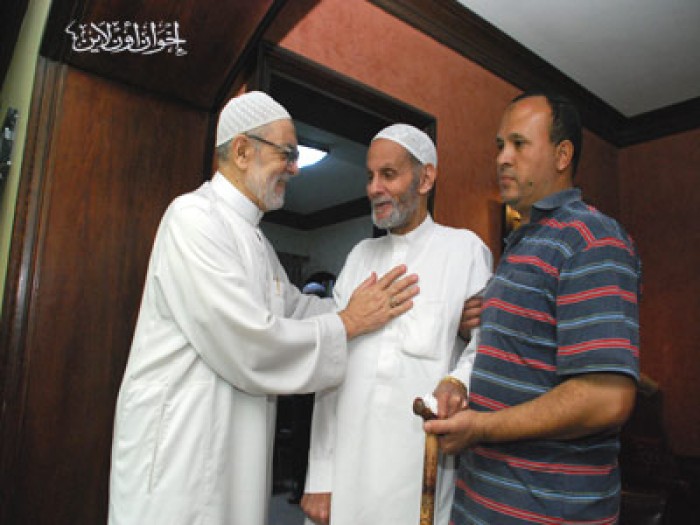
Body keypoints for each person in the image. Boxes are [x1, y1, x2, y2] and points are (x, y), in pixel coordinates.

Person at [108, 91, 420, 525]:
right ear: (241, 151)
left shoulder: (256, 241)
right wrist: (350, 321)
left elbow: (296, 309)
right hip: (182, 451)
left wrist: (367, 305)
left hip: (234, 450)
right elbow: (247, 339)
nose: (294, 168)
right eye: (287, 153)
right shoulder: (192, 218)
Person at [425, 91, 642, 524]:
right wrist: (463, 379)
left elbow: (606, 399)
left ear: (562, 155)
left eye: (519, 144)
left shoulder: (591, 239)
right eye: (500, 146)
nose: (502, 158)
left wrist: (480, 427)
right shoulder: (523, 243)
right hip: (483, 502)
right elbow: (525, 356)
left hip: (546, 511)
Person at [301, 124, 493, 525]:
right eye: (370, 176)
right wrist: (319, 477)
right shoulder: (359, 255)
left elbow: (485, 346)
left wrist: (458, 381)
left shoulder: (465, 250)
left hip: (419, 467)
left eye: (388, 174)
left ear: (426, 178)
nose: (374, 188)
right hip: (347, 469)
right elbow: (332, 367)